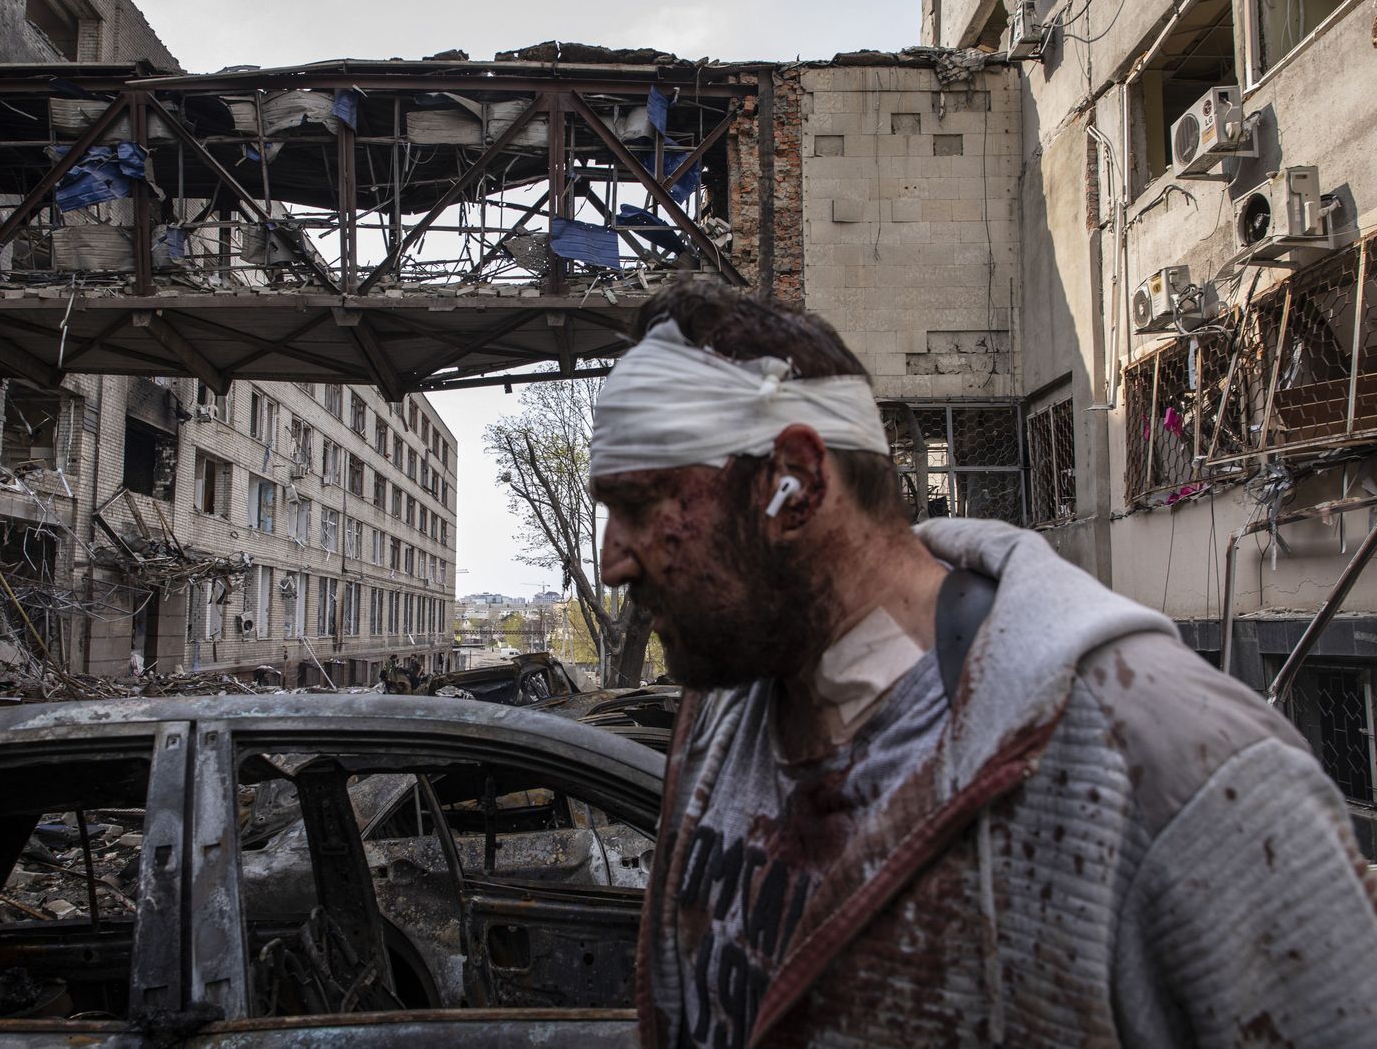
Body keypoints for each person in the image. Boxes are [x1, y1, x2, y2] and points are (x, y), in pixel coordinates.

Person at [588, 280, 1377, 1049]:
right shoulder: (724, 706)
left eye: (639, 506)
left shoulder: (1175, 770)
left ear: (793, 485)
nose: (612, 560)